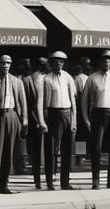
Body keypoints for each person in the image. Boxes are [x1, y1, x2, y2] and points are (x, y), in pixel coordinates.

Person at [82, 50, 110, 190]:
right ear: (100, 62)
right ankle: (96, 180)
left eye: (109, 60)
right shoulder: (92, 78)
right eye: (104, 60)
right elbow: (84, 101)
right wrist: (86, 119)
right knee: (96, 148)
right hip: (98, 114)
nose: (106, 62)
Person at [0, 54, 27, 195]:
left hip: (12, 115)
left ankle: (4, 185)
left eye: (8, 63)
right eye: (3, 63)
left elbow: (23, 103)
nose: (5, 66)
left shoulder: (17, 82)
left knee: (8, 152)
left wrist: (24, 121)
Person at [38, 50, 76, 191]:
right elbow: (40, 102)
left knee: (67, 150)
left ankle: (65, 182)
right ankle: (50, 181)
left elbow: (73, 101)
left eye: (61, 61)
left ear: (63, 63)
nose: (58, 64)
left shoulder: (68, 78)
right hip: (53, 115)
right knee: (51, 150)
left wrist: (74, 121)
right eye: (55, 61)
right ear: (51, 63)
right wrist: (42, 121)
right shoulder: (46, 79)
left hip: (67, 113)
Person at [22, 57, 48, 189]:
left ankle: (50, 175)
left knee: (49, 149)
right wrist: (37, 120)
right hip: (34, 120)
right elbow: (26, 103)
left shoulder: (49, 78)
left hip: (49, 117)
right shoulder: (27, 80)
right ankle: (37, 178)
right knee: (36, 150)